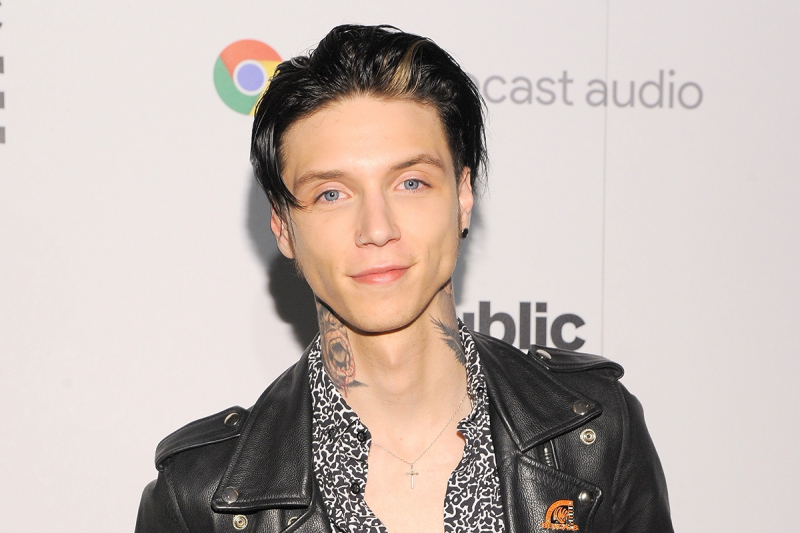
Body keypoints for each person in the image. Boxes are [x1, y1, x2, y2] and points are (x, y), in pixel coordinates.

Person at [135, 24, 673, 533]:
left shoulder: (595, 435)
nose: (377, 229)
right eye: (331, 194)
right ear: (283, 227)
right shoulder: (200, 499)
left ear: (463, 196)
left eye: (411, 183)